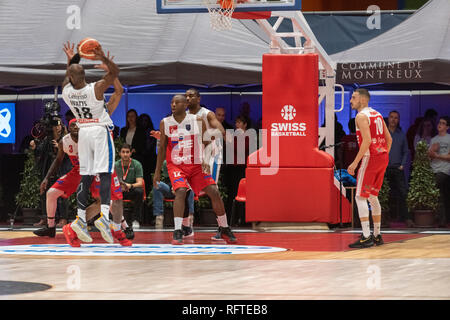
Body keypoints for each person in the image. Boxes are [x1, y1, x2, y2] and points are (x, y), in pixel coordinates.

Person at [153, 94, 236, 245]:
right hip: (177, 165)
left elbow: (207, 142)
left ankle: (224, 227)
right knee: (181, 191)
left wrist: (205, 158)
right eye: (172, 102)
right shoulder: (165, 122)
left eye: (177, 102)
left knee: (214, 191)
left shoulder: (197, 120)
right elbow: (163, 147)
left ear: (185, 105)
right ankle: (178, 230)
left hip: (196, 165)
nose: (173, 105)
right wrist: (157, 170)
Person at [33, 120, 131, 247]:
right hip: (86, 170)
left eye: (77, 125)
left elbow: (109, 156)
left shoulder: (97, 130)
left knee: (112, 199)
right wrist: (46, 178)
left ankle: (121, 228)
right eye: (72, 125)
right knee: (104, 200)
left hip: (100, 167)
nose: (75, 127)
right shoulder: (68, 140)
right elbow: (58, 160)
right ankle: (56, 227)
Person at [61, 40, 119, 244]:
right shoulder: (95, 89)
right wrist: (102, 56)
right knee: (105, 173)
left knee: (85, 176)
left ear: (70, 76)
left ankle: (79, 219)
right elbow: (114, 73)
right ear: (84, 75)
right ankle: (103, 216)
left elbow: (67, 77)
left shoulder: (66, 92)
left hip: (83, 131)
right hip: (98, 130)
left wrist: (72, 58)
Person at [347, 89, 392, 249]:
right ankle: (377, 235)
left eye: (354, 97)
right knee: (372, 196)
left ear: (363, 100)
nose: (351, 100)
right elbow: (389, 139)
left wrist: (354, 163)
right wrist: (383, 155)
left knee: (360, 197)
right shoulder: (377, 114)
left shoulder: (360, 116)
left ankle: (366, 236)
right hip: (382, 157)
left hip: (370, 158)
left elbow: (366, 141)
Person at [185, 88, 226, 183]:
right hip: (194, 153)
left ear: (199, 99)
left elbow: (221, 131)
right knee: (190, 187)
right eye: (186, 96)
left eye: (190, 96)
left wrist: (203, 136)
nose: (187, 98)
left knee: (210, 186)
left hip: (211, 153)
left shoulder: (207, 114)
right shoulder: (184, 115)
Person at [385, 110, 414, 227]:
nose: (393, 119)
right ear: (388, 118)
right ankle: (384, 220)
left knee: (403, 193)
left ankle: (407, 218)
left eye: (396, 118)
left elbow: (405, 151)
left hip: (398, 168)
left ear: (398, 120)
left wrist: (402, 164)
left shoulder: (401, 134)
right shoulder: (383, 133)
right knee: (385, 194)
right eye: (391, 117)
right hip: (385, 168)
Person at [224, 114, 251, 225]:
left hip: (241, 169)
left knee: (242, 195)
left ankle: (243, 220)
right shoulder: (233, 136)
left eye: (239, 122)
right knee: (231, 195)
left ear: (245, 125)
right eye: (236, 122)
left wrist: (229, 142)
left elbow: (241, 150)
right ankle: (229, 220)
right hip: (231, 168)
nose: (237, 125)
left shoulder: (248, 136)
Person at [152, 160, 195, 229]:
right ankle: (159, 216)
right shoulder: (166, 162)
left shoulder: (185, 161)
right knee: (157, 185)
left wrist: (177, 186)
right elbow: (169, 177)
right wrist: (174, 186)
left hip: (182, 187)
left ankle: (190, 216)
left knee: (190, 188)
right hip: (169, 188)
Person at [115, 143, 144, 229]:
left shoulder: (136, 164)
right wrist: (119, 187)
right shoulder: (115, 165)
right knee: (109, 193)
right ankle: (114, 219)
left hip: (131, 189)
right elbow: (111, 182)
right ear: (119, 153)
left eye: (127, 152)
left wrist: (129, 185)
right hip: (119, 190)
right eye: (123, 152)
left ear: (131, 153)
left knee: (139, 191)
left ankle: (136, 219)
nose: (125, 154)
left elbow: (140, 183)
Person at [428, 116, 450, 227]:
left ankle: (442, 219)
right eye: (439, 122)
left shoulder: (449, 138)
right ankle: (440, 218)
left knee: (439, 193)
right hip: (434, 169)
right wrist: (432, 152)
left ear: (447, 126)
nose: (440, 124)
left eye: (443, 123)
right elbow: (430, 157)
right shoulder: (434, 139)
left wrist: (437, 155)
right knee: (440, 195)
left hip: (445, 170)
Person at [137, 113, 157, 197]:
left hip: (150, 160)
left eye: (145, 120)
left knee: (149, 181)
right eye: (142, 120)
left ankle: (149, 200)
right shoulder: (137, 131)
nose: (143, 122)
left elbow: (149, 147)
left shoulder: (152, 132)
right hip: (141, 160)